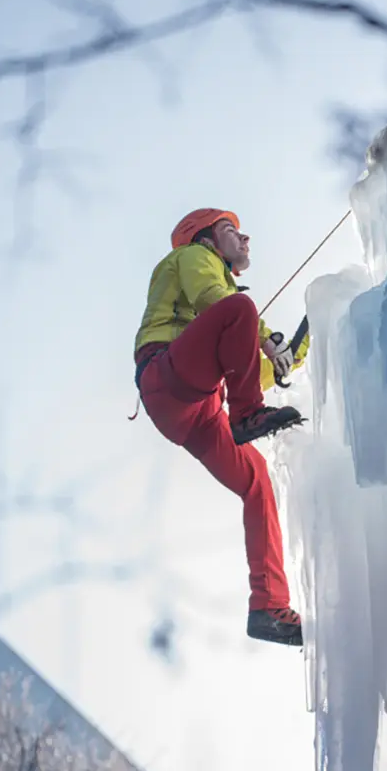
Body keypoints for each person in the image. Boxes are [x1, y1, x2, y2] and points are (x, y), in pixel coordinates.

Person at [133, 208, 310, 647]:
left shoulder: (226, 296)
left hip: (196, 407)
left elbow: (241, 367)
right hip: (166, 374)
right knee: (240, 308)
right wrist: (267, 340)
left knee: (258, 485)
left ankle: (269, 608)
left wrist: (291, 354)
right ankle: (248, 415)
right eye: (232, 229)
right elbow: (217, 301)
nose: (245, 237)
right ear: (208, 239)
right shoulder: (192, 257)